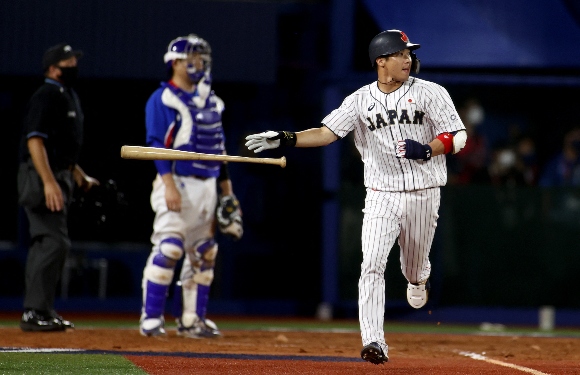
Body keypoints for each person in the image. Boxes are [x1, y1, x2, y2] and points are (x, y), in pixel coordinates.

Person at [245, 29, 467, 365]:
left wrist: (426, 150)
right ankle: (374, 340)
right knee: (372, 266)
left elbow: (458, 136)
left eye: (408, 54)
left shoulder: (430, 93)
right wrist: (287, 138)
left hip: (424, 193)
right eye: (400, 54)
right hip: (381, 195)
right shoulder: (360, 100)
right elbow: (325, 132)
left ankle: (419, 278)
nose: (407, 58)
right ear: (381, 61)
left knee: (413, 267)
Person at [139, 34, 243, 338]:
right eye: (192, 59)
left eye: (201, 59)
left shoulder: (211, 100)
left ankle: (191, 319)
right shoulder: (163, 99)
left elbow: (218, 151)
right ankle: (151, 319)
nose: (198, 65)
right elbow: (157, 145)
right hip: (177, 182)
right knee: (169, 248)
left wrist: (227, 192)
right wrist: (168, 184)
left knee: (204, 253)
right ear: (175, 63)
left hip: (208, 186)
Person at [17, 43, 99, 332]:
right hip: (41, 176)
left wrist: (77, 173)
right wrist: (49, 182)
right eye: (68, 61)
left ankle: (43, 310)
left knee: (54, 242)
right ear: (53, 68)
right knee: (52, 241)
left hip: (58, 173)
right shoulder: (47, 94)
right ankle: (34, 311)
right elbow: (35, 141)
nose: (74, 64)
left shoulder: (65, 94)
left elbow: (58, 146)